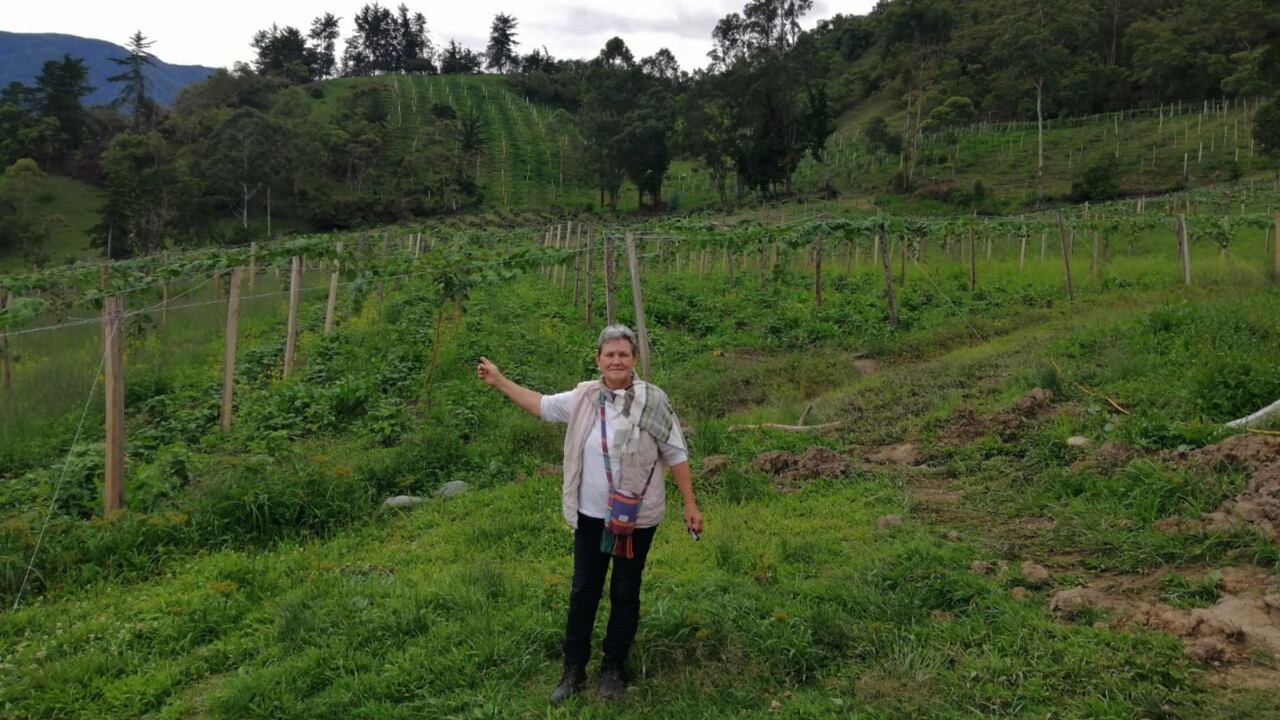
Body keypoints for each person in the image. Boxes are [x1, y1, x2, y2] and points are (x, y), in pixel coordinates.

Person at [477, 324, 704, 703]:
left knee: (625, 590)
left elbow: (675, 452)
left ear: (634, 360)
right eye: (609, 354)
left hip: (636, 519)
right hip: (591, 517)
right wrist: (500, 381)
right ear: (598, 359)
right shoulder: (584, 397)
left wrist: (690, 503)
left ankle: (613, 666)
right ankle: (574, 670)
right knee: (584, 591)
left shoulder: (653, 400)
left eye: (623, 354)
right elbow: (541, 405)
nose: (616, 361)